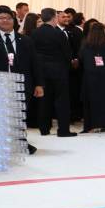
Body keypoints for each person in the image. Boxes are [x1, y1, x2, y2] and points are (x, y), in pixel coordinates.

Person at [0, 5, 40, 153]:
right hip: (0, 83)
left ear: (14, 20)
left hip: (22, 84)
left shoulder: (25, 40)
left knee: (20, 114)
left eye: (8, 18)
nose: (5, 21)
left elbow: (35, 63)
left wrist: (39, 84)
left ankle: (21, 143)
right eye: (1, 18)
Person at [31, 8, 76, 137]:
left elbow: (32, 54)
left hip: (41, 71)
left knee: (44, 100)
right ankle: (63, 130)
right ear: (53, 18)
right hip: (58, 70)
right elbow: (67, 54)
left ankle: (44, 129)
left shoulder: (34, 33)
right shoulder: (59, 34)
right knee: (62, 100)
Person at [78, 22, 105, 132]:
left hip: (90, 77)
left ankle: (90, 125)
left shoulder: (85, 45)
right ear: (103, 32)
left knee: (90, 101)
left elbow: (80, 59)